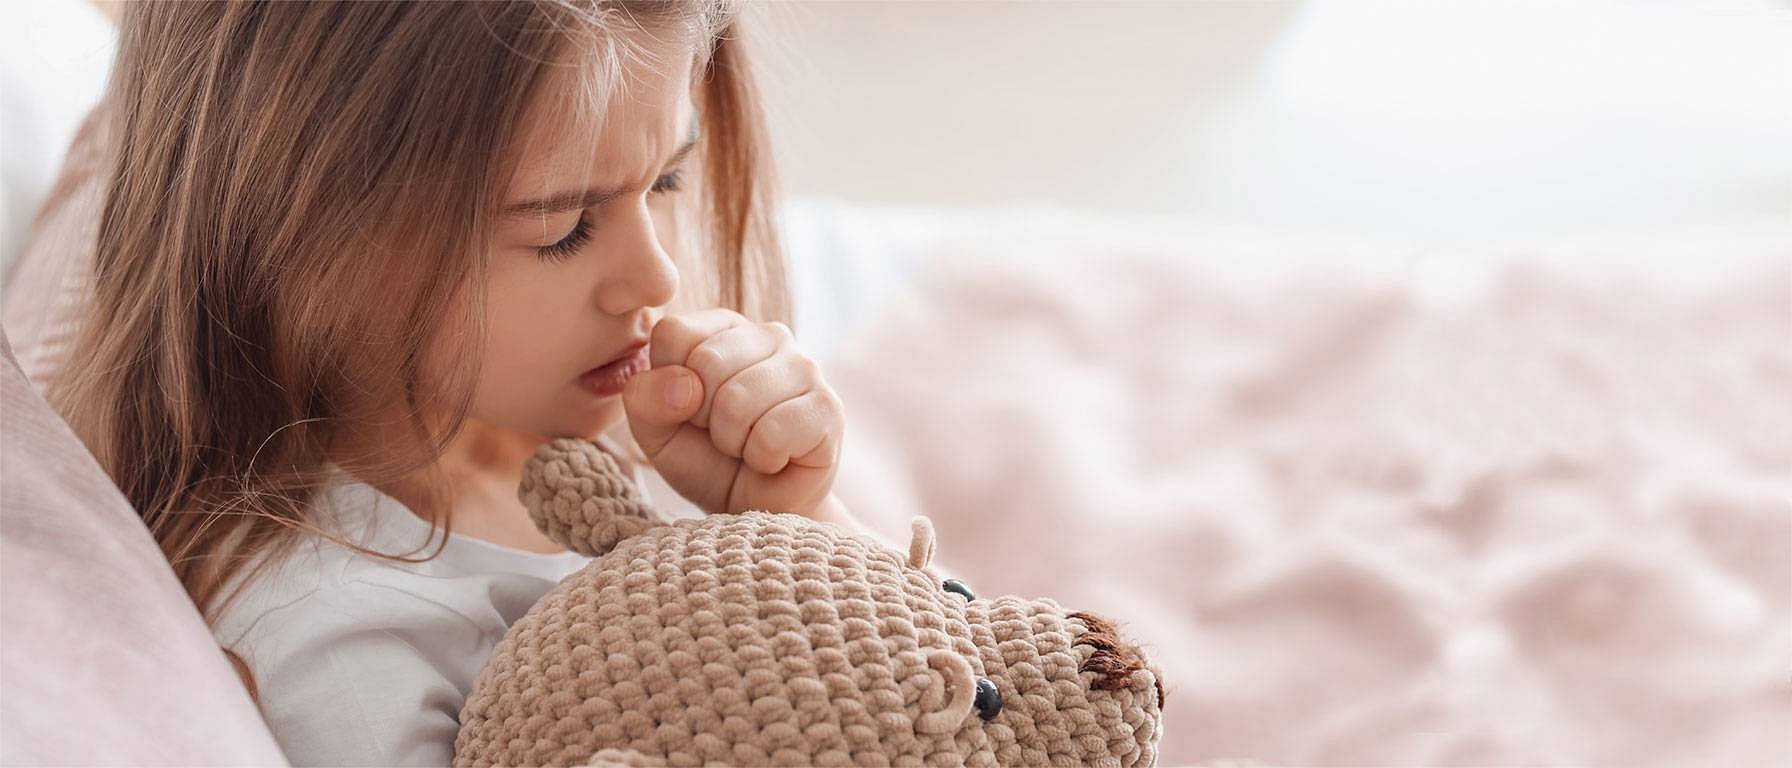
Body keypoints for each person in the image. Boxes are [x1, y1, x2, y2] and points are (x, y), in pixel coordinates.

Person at [45, 2, 865, 764]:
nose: (656, 278)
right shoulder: (338, 636)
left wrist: (799, 515)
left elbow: (958, 689)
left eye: (666, 182)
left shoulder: (648, 435)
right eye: (562, 228)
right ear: (308, 241)